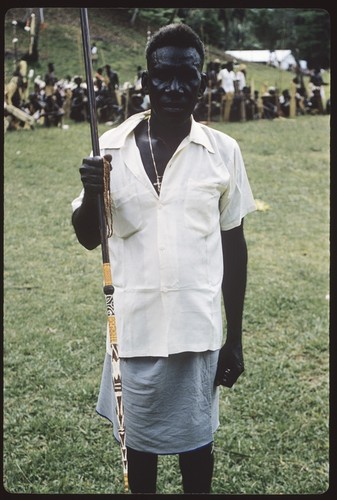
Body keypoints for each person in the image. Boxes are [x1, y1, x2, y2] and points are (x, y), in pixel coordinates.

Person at [71, 23, 256, 494]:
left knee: (198, 455)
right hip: (134, 332)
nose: (175, 88)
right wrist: (95, 193)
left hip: (198, 332)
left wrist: (234, 338)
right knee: (140, 458)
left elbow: (234, 249)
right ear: (146, 79)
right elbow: (90, 238)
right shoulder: (109, 147)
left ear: (202, 80)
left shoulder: (222, 152)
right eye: (163, 76)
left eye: (187, 77)